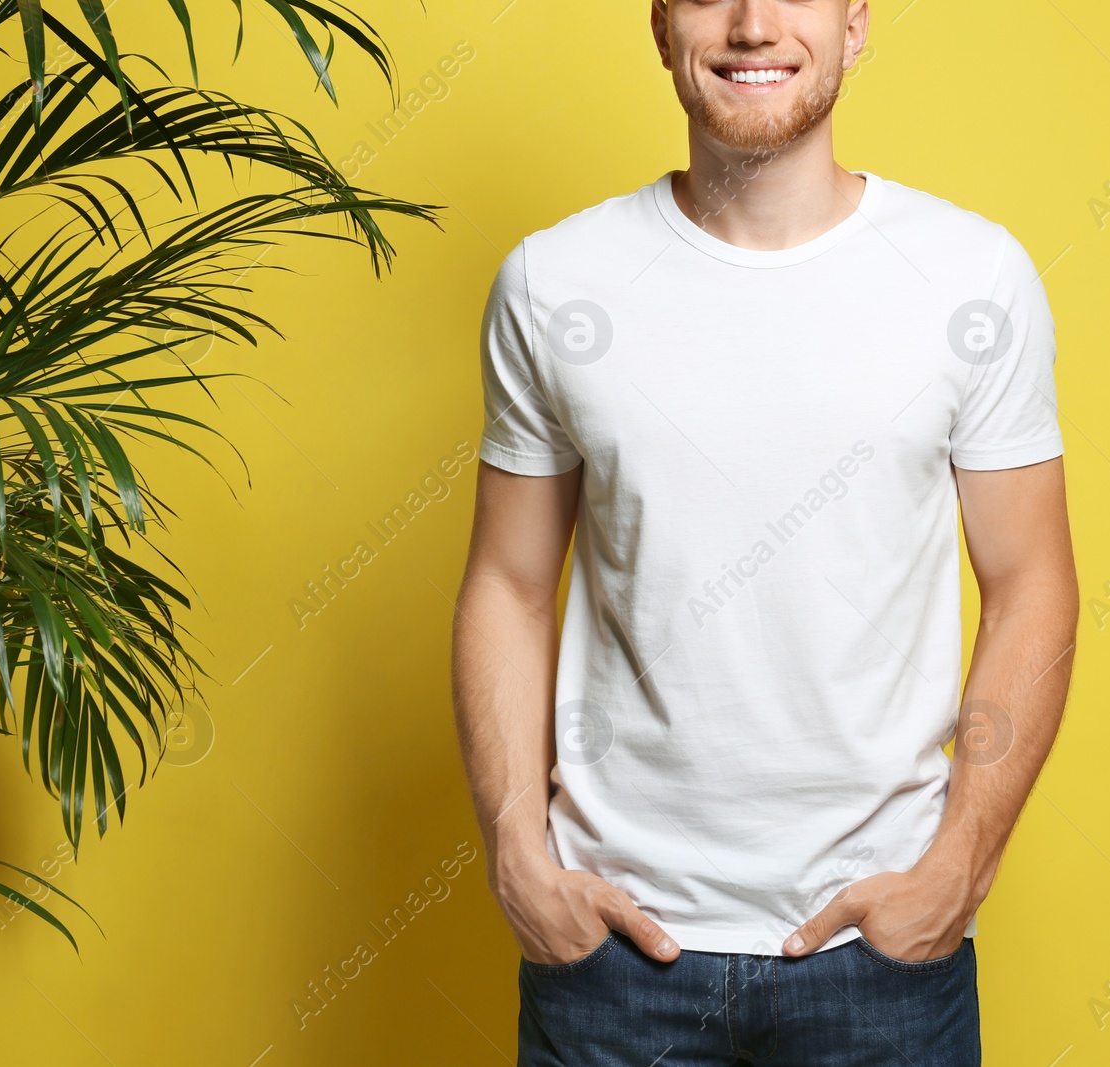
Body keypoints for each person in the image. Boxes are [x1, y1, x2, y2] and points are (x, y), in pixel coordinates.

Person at [450, 1, 1078, 1063]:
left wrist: (958, 866)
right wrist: (518, 852)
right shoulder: (554, 282)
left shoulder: (974, 278)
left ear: (854, 21)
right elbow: (508, 584)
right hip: (610, 958)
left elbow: (1032, 586)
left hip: (882, 958)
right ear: (660, 26)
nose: (750, 23)